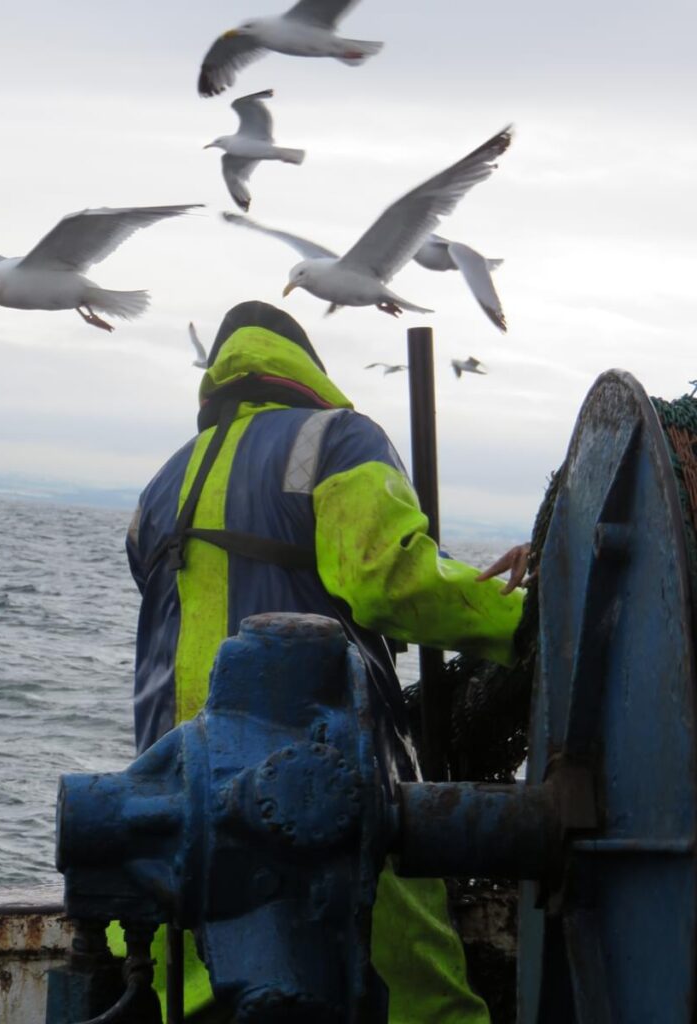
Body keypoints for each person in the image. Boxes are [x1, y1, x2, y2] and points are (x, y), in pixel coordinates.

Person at [119, 300, 526, 1022]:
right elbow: (388, 578)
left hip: (177, 794)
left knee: (197, 999)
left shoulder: (160, 485)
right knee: (417, 999)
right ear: (306, 368)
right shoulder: (336, 438)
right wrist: (524, 621)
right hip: (329, 781)